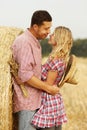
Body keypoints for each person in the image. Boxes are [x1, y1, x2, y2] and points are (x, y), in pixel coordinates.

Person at [11, 10, 59, 130]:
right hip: (27, 102)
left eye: (49, 28)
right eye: (46, 28)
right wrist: (48, 87)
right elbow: (25, 74)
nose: (48, 32)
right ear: (35, 27)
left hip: (36, 101)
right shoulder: (24, 42)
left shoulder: (34, 42)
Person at [31, 26, 73, 130]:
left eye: (54, 34)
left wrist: (27, 79)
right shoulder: (58, 59)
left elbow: (47, 85)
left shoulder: (55, 61)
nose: (50, 35)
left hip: (48, 103)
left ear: (59, 39)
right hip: (53, 101)